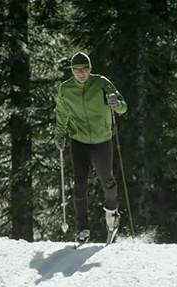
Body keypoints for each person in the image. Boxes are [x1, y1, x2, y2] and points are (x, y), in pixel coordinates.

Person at [53, 51, 128, 243]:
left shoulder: (101, 83)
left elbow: (122, 107)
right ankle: (82, 228)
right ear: (72, 71)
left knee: (108, 181)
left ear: (90, 69)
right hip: (79, 141)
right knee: (79, 185)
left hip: (102, 140)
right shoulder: (66, 89)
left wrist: (115, 102)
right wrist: (59, 135)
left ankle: (112, 215)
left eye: (85, 69)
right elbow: (62, 114)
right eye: (77, 69)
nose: (81, 73)